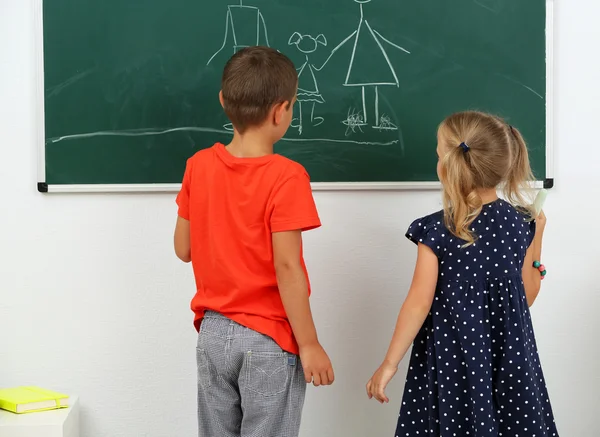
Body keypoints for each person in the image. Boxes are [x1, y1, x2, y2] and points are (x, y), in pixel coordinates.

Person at [366, 111, 559, 436]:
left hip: (453, 360)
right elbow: (525, 296)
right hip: (508, 361)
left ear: (449, 166)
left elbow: (418, 303)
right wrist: (536, 238)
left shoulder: (437, 230)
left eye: (439, 153)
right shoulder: (519, 223)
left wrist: (389, 364)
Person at [174, 46, 334, 437]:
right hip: (268, 339)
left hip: (212, 334)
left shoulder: (198, 165)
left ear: (223, 101)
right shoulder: (287, 176)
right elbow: (287, 266)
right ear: (282, 111)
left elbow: (183, 249)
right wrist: (310, 344)